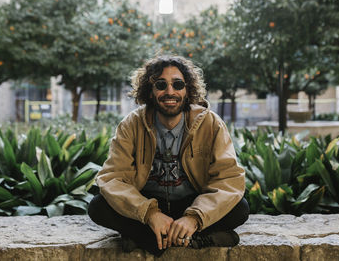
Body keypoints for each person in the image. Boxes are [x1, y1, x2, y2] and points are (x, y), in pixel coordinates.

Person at [88, 55, 249, 256]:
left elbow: (229, 180)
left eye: (178, 84)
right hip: (148, 204)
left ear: (188, 89)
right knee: (98, 206)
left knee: (240, 208)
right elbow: (112, 178)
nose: (170, 91)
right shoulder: (131, 125)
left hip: (191, 203)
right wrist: (149, 214)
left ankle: (146, 239)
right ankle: (191, 239)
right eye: (161, 85)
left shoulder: (210, 124)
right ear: (150, 91)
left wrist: (194, 218)